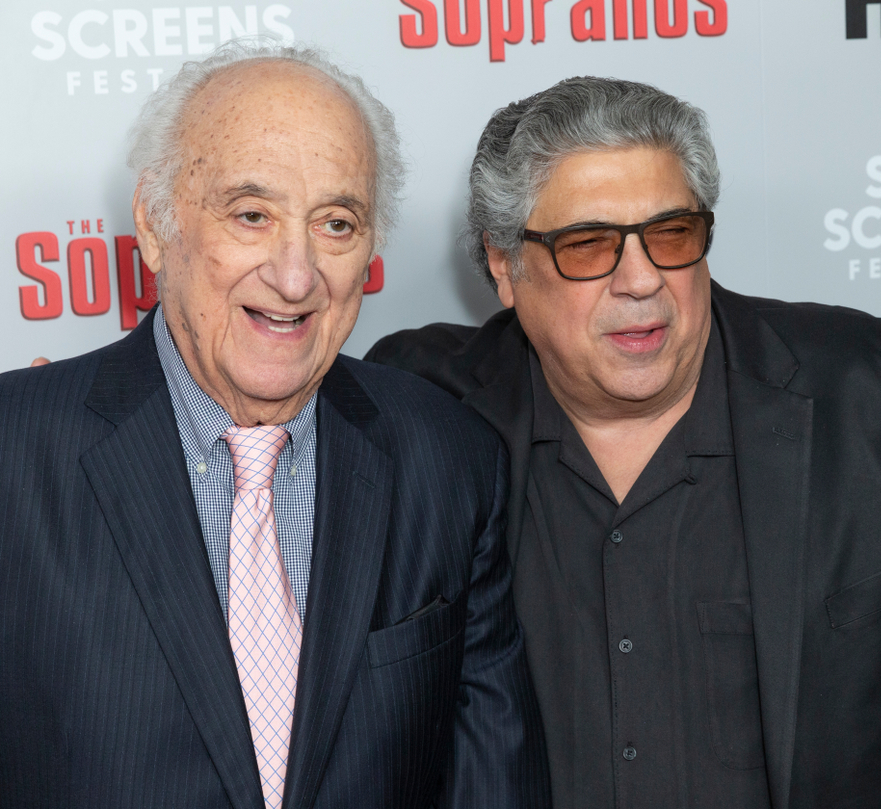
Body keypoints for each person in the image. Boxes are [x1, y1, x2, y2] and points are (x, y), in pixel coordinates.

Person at [367, 77, 881, 807]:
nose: (642, 281)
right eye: (588, 245)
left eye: (671, 234)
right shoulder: (421, 411)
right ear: (505, 266)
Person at [0, 42, 549, 809]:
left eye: (336, 223)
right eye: (251, 215)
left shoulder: (448, 459)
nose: (295, 276)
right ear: (155, 224)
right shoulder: (15, 454)